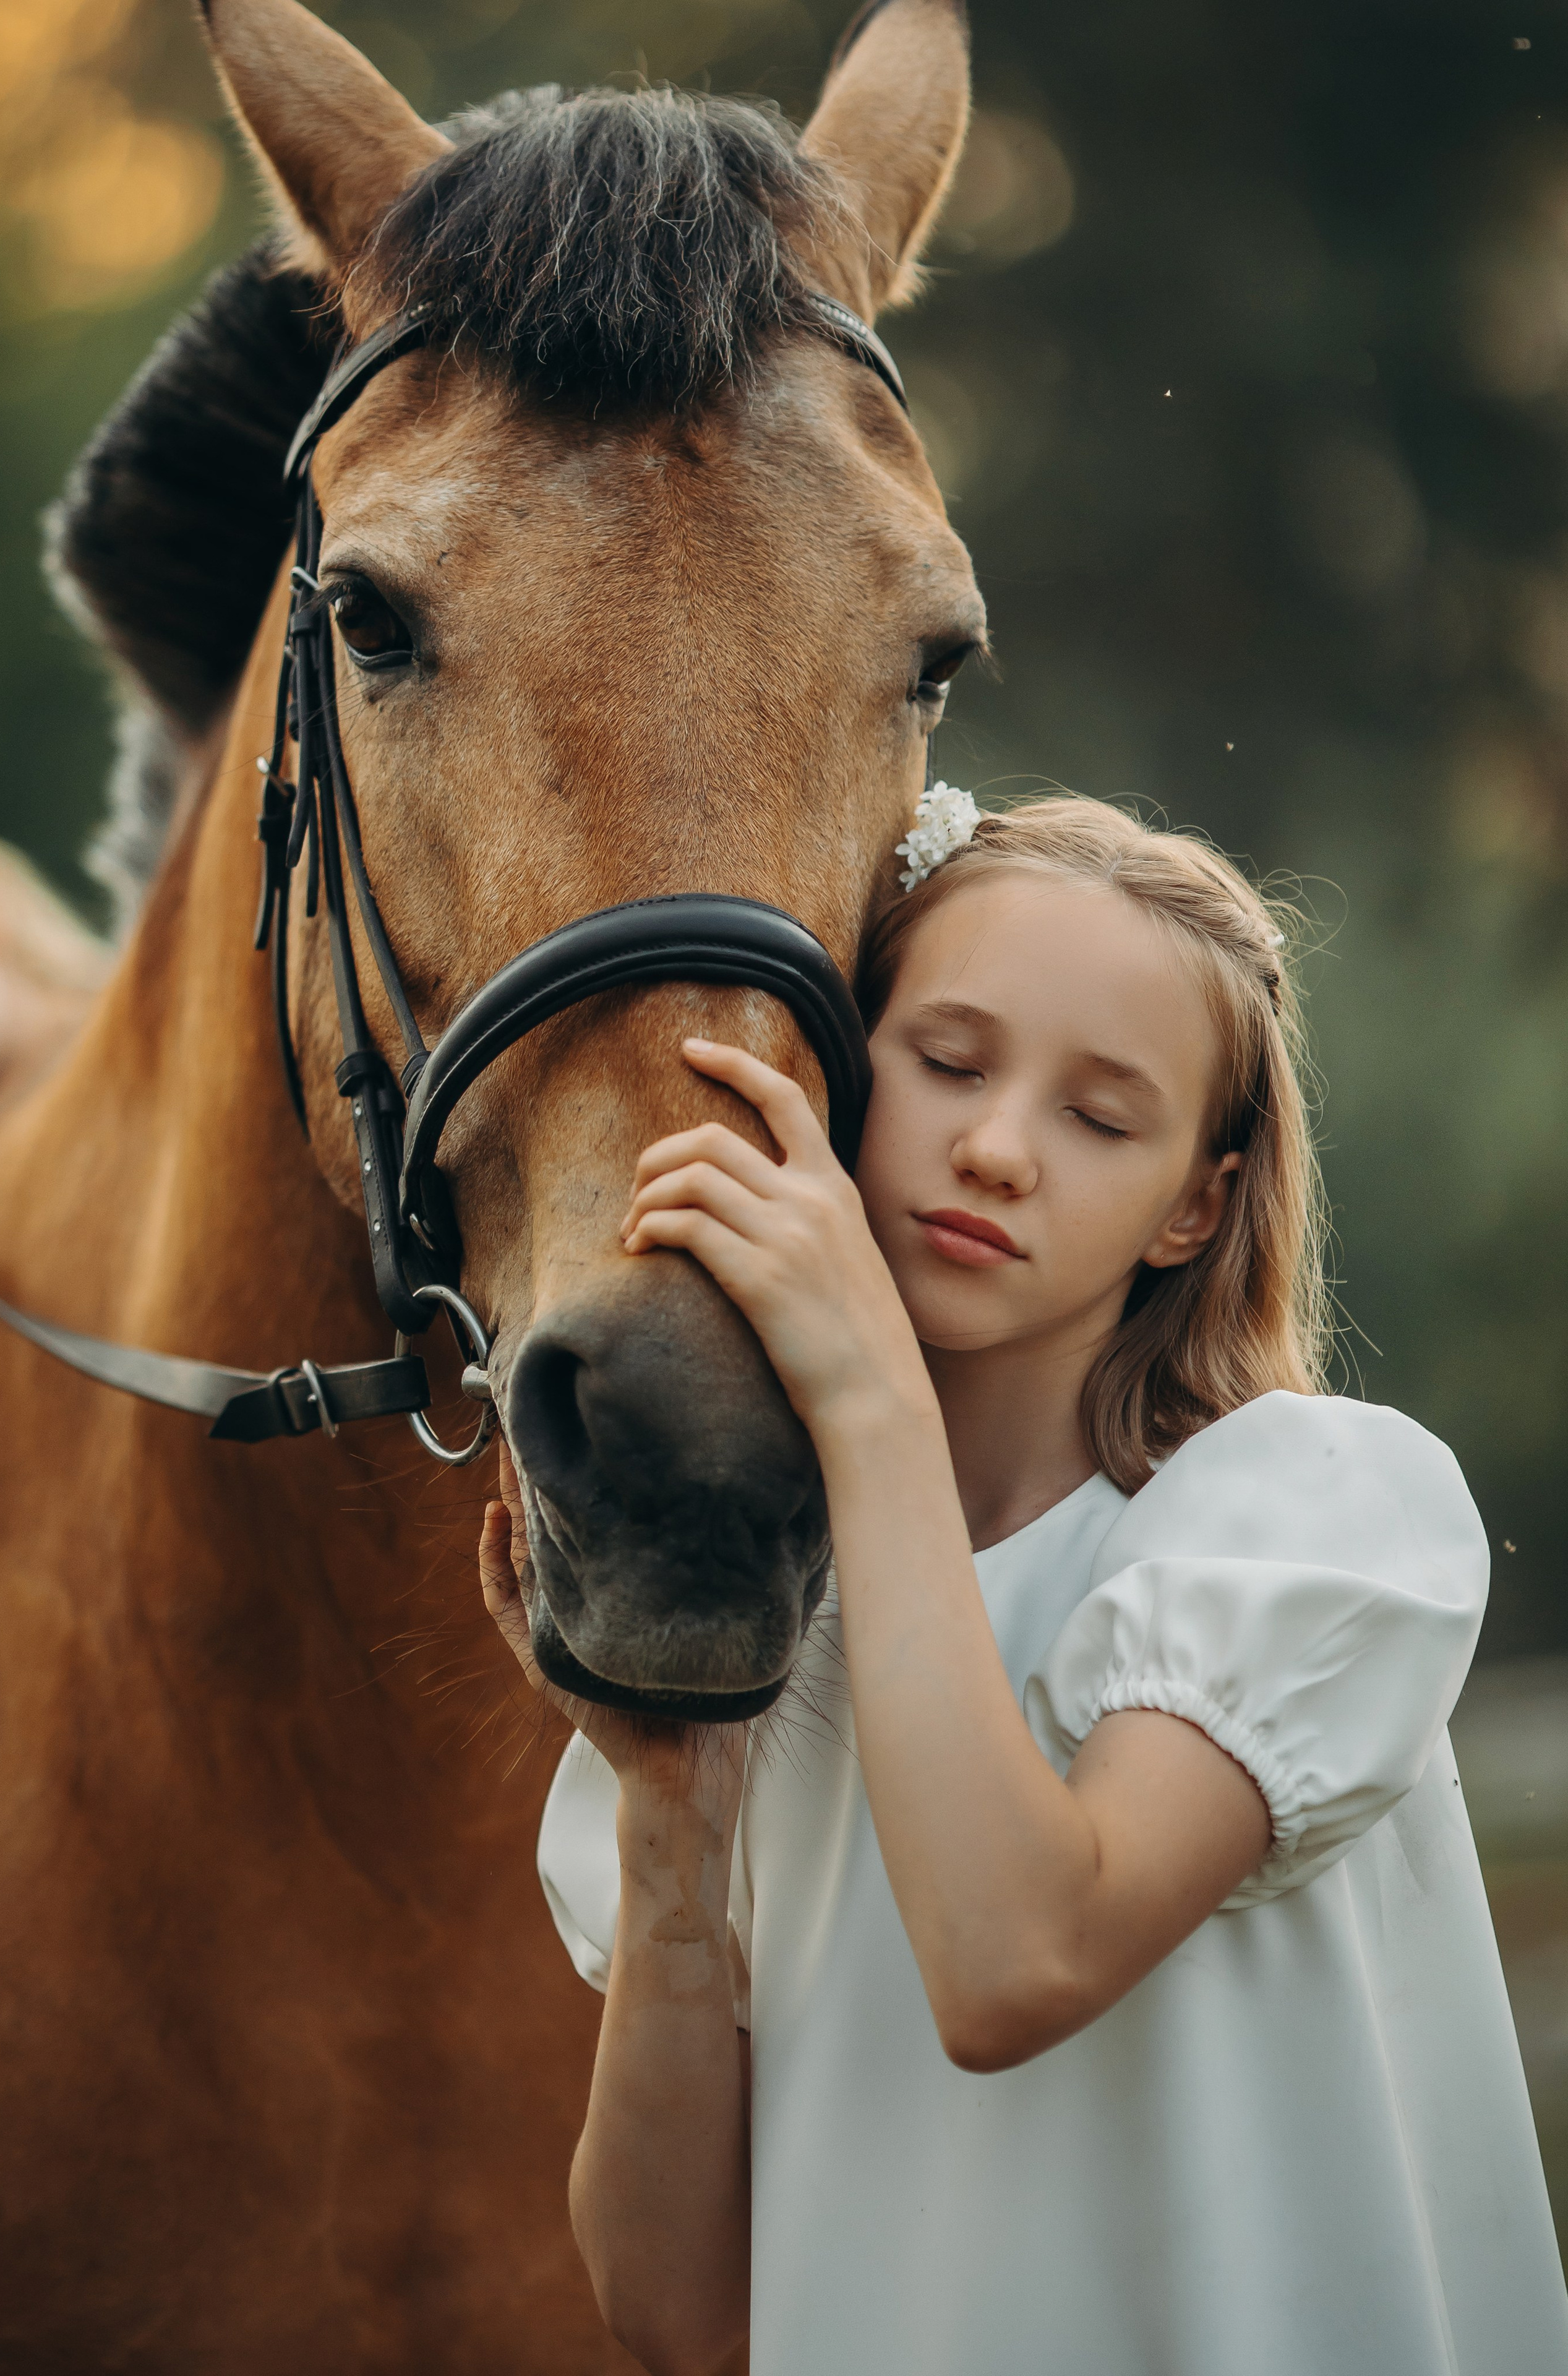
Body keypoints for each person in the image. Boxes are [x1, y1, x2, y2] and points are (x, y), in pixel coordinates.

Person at [479, 794, 1568, 2376]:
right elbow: (678, 2307)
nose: (994, 1149)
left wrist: (864, 1391)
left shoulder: (1312, 1513)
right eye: (949, 1062)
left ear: (1192, 1204)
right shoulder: (771, 1608)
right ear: (843, 1074)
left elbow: (1011, 1964)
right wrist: (670, 1818)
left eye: (1101, 1118)